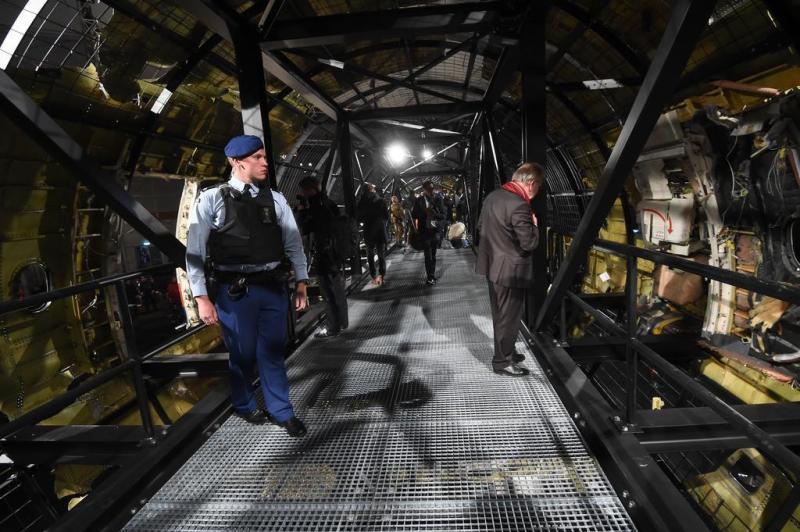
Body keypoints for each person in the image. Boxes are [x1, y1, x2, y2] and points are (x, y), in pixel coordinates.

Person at [186, 134, 309, 437]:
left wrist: (301, 281)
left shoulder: (275, 199)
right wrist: (201, 297)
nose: (265, 162)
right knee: (242, 354)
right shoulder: (212, 199)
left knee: (273, 352)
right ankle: (244, 404)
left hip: (272, 287)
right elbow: (195, 251)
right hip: (235, 292)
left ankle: (282, 411)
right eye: (257, 157)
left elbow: (293, 244)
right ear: (236, 162)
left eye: (264, 156)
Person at [476, 162, 543, 377]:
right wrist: (534, 225)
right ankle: (502, 361)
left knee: (501, 314)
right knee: (509, 317)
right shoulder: (519, 204)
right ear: (531, 183)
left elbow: (480, 227)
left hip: (493, 266)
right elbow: (529, 243)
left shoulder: (492, 197)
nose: (537, 190)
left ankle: (508, 351)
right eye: (538, 186)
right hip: (511, 270)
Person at [297, 176, 349, 338]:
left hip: (324, 254)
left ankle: (333, 328)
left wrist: (301, 211)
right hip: (335, 252)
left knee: (327, 293)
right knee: (338, 290)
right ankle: (342, 322)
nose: (302, 194)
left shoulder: (315, 206)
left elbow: (305, 228)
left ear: (309, 190)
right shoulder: (329, 203)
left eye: (303, 191)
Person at [412, 180, 446, 285]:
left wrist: (434, 214)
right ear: (424, 189)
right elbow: (414, 214)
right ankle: (430, 277)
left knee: (433, 255)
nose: (431, 190)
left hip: (435, 230)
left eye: (432, 188)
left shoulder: (438, 199)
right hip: (424, 231)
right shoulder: (419, 200)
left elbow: (443, 215)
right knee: (427, 255)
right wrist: (424, 213)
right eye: (428, 189)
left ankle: (432, 274)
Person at [357, 183, 389, 285]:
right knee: (381, 254)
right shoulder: (381, 201)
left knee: (370, 255)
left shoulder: (361, 202)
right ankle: (382, 276)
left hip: (368, 230)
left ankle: (373, 276)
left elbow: (358, 217)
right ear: (372, 190)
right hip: (379, 230)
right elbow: (386, 216)